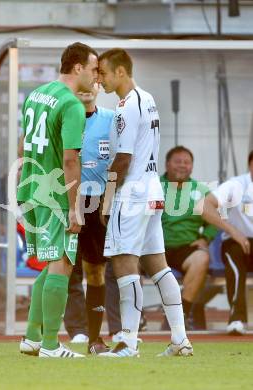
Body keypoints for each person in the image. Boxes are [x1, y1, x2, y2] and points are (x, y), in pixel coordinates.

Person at [98, 48, 193, 357]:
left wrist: (107, 199)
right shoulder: (148, 98)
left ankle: (127, 341)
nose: (100, 78)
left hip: (133, 194)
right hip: (152, 192)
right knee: (158, 265)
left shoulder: (125, 108)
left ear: (121, 72)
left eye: (104, 73)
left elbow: (123, 159)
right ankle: (180, 339)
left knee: (124, 263)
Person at [17, 42, 98, 358]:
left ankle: (31, 337)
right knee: (62, 264)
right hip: (55, 196)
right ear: (78, 68)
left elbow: (25, 145)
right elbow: (69, 161)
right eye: (93, 69)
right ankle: (50, 344)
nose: (95, 77)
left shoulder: (36, 94)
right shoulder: (71, 105)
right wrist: (76, 207)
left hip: (32, 189)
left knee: (50, 266)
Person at [64, 82, 114, 354]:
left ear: (98, 85)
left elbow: (122, 159)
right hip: (66, 200)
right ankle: (72, 331)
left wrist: (111, 195)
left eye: (93, 82)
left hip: (98, 204)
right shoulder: (62, 115)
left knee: (97, 271)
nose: (86, 89)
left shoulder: (111, 120)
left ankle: (96, 337)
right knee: (64, 268)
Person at [161, 146, 218, 328]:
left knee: (201, 258)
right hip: (155, 249)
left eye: (187, 162)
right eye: (178, 161)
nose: (182, 166)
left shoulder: (202, 191)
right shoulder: (153, 186)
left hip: (185, 249)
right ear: (167, 164)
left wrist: (206, 238)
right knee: (130, 260)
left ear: (192, 167)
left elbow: (216, 221)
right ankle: (135, 319)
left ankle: (180, 316)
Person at [197, 150, 253, 335]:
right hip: (237, 241)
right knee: (234, 257)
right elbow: (205, 206)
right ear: (250, 165)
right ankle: (237, 318)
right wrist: (233, 231)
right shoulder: (236, 185)